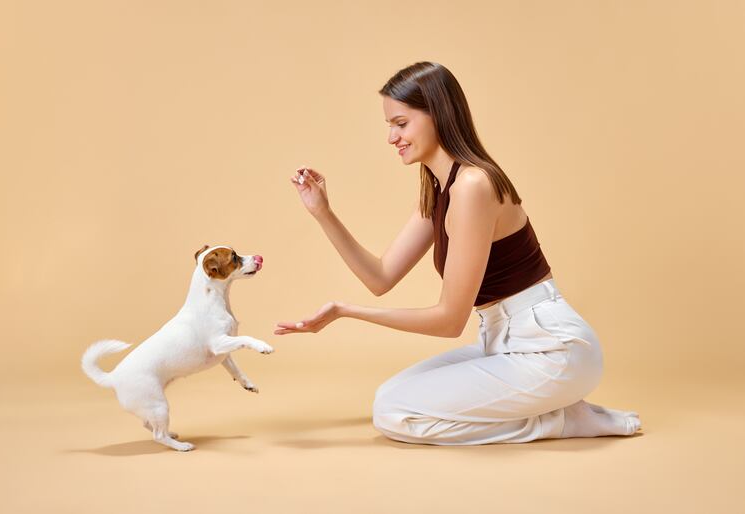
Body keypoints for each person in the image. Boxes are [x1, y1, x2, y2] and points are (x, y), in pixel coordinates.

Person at [274, 61, 641, 445]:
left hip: (551, 351)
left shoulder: (472, 186)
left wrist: (347, 312)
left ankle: (561, 421)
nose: (391, 137)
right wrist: (322, 212)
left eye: (401, 123)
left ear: (437, 114)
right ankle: (559, 411)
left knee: (393, 413)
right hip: (503, 341)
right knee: (389, 398)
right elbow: (379, 277)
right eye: (389, 126)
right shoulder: (440, 189)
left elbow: (449, 320)